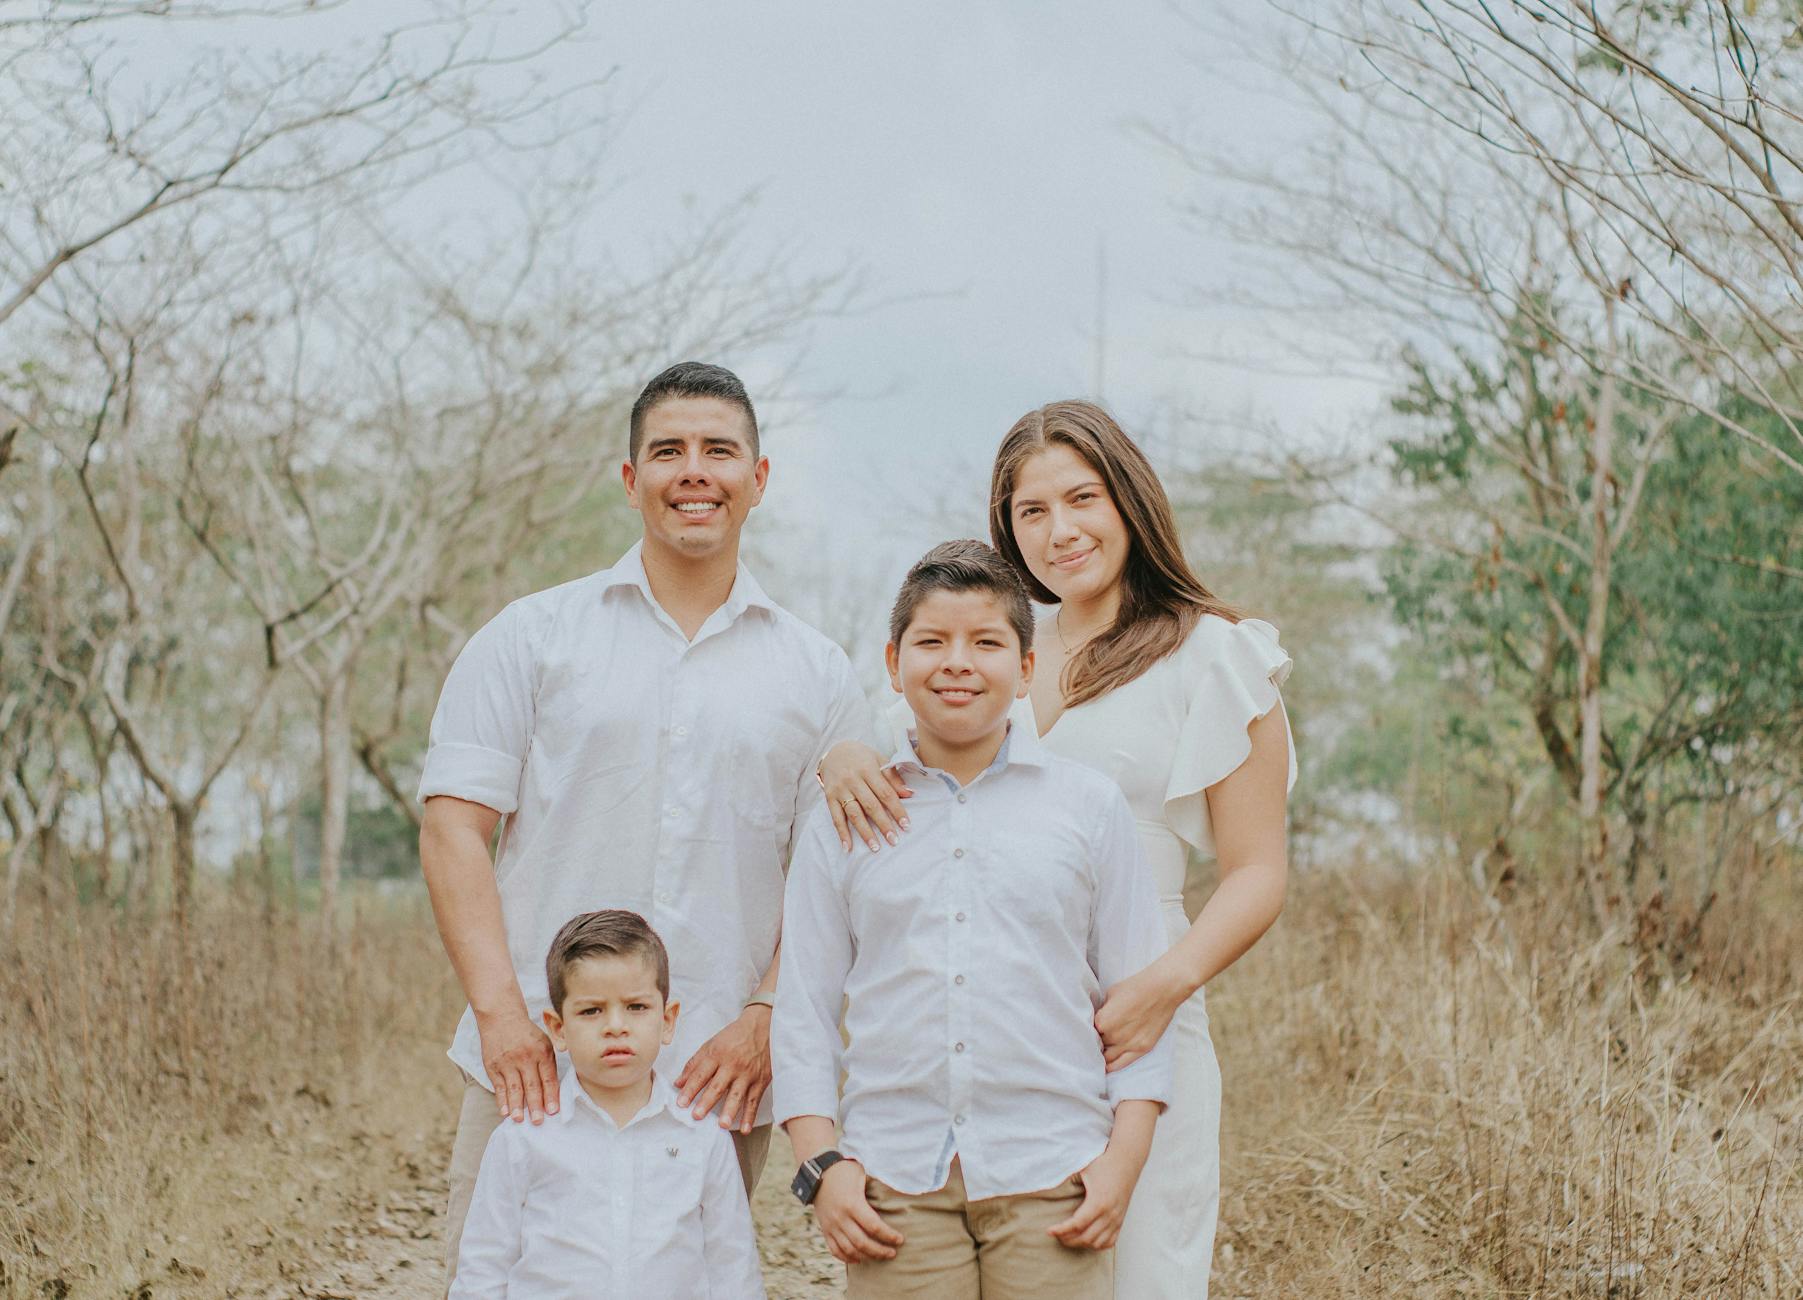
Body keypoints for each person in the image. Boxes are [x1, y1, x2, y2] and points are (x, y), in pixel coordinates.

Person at [821, 402, 1295, 1300]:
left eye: (1081, 498)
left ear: (1129, 499)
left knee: (1141, 1270)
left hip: (1135, 1023)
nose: (1059, 531)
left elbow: (1257, 871)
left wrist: (1160, 987)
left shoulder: (1213, 656)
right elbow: (897, 751)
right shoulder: (994, 644)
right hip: (991, 1033)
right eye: (1029, 512)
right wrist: (841, 753)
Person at [418, 361, 875, 1285]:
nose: (693, 470)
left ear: (759, 478)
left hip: (717, 1065)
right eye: (667, 451)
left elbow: (833, 874)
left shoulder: (818, 673)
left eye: (719, 450)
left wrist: (765, 1018)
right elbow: (451, 829)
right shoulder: (532, 636)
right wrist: (506, 1016)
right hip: (539, 1056)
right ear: (631, 481)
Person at [775, 540, 1175, 1300]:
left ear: (1025, 668)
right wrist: (820, 1164)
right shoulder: (844, 820)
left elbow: (1138, 1001)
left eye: (986, 642)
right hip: (892, 1183)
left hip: (1053, 1173)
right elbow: (804, 1008)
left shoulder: (1086, 807)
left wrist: (1121, 1162)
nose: (956, 661)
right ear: (894, 664)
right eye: (932, 641)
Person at [451, 910, 765, 1299]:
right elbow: (484, 1266)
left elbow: (732, 1267)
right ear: (558, 1028)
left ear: (668, 1020)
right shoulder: (522, 1139)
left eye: (636, 1007)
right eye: (591, 1010)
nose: (615, 1026)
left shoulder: (702, 1137)